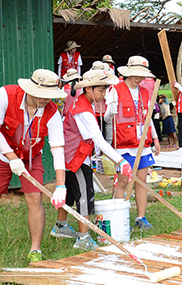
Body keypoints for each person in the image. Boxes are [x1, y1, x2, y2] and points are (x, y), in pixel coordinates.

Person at [0, 69, 67, 264]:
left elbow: (57, 148)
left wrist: (61, 185)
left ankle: (35, 250)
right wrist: (12, 158)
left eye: (51, 96)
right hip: (0, 153)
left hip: (31, 156)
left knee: (35, 198)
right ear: (32, 90)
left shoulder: (52, 112)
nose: (48, 100)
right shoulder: (6, 94)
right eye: (44, 96)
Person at [52, 68, 133, 250]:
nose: (104, 94)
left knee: (71, 194)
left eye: (105, 89)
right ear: (88, 89)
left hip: (74, 153)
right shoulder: (83, 110)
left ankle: (60, 226)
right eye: (101, 89)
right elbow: (99, 139)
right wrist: (121, 161)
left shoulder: (84, 103)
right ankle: (83, 237)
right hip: (76, 157)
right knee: (85, 195)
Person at [104, 56, 161, 229]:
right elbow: (106, 120)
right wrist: (110, 114)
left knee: (141, 180)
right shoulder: (115, 90)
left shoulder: (145, 92)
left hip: (142, 144)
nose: (138, 78)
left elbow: (148, 116)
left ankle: (141, 217)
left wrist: (155, 137)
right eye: (135, 74)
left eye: (141, 75)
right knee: (122, 181)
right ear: (128, 73)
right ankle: (119, 217)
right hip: (123, 144)